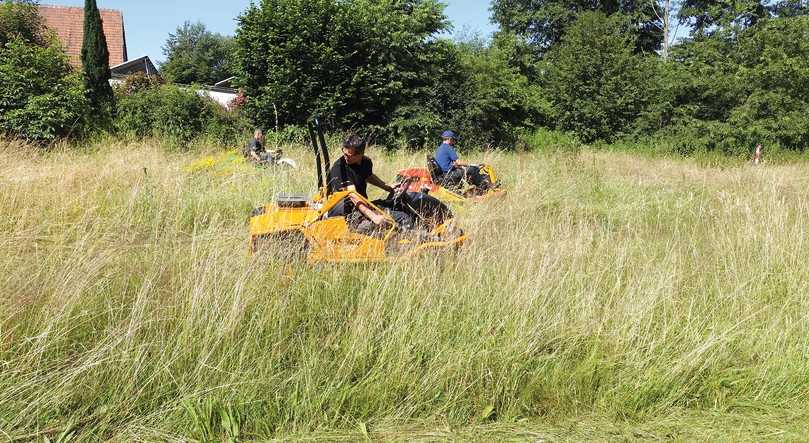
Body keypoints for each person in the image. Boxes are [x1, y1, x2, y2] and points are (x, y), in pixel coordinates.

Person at [327, 135, 395, 229]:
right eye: (344, 153)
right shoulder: (339, 168)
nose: (345, 157)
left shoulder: (366, 162)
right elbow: (353, 195)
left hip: (363, 207)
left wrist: (388, 187)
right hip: (347, 214)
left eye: (349, 155)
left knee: (399, 215)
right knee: (376, 226)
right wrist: (374, 217)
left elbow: (369, 176)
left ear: (360, 155)